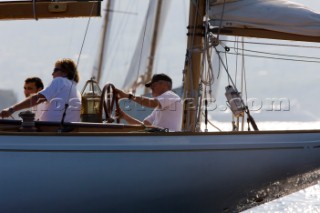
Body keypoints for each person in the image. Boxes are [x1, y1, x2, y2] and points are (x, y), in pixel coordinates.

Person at [0, 58, 81, 122]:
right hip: (65, 131)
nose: (52, 74)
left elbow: (37, 98)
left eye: (55, 70)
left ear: (65, 73)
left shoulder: (60, 81)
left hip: (51, 130)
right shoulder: (75, 89)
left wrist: (11, 109)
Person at [115, 73, 182, 131]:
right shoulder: (158, 108)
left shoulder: (170, 95)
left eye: (153, 85)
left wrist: (127, 96)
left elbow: (151, 103)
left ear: (164, 84)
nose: (151, 89)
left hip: (167, 139)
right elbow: (143, 127)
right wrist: (124, 116)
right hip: (161, 140)